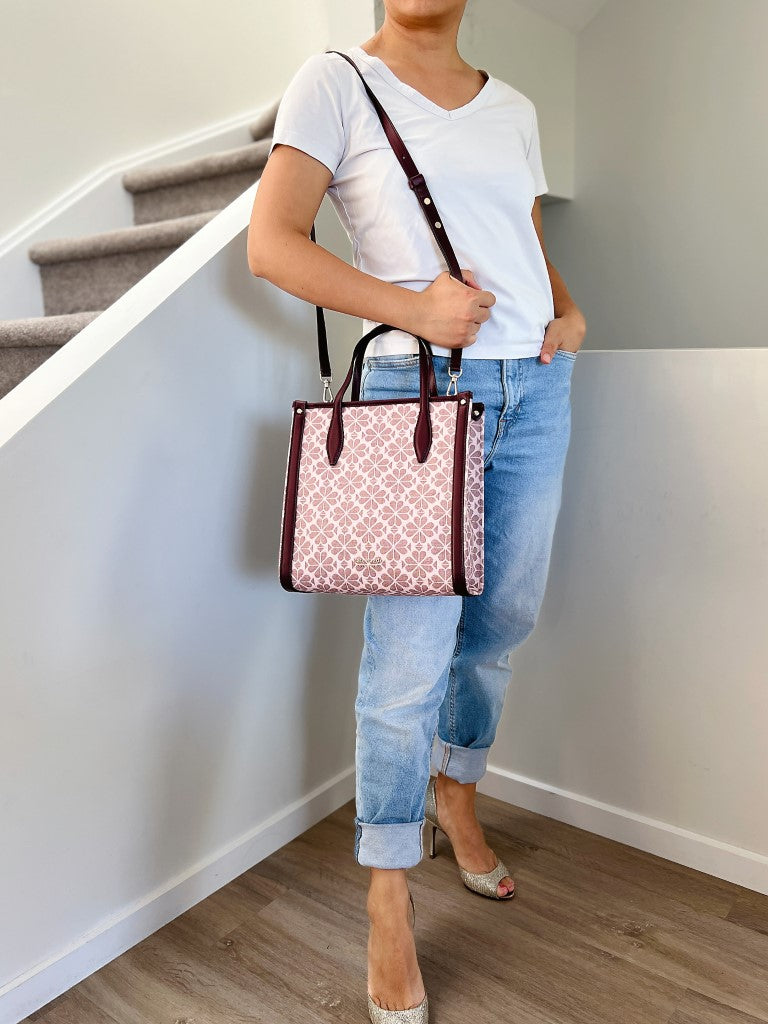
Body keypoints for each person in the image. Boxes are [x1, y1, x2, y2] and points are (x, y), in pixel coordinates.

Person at [247, 2, 586, 1020]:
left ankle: (458, 792)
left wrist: (567, 312)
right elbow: (272, 244)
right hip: (420, 392)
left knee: (504, 618)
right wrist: (411, 308)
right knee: (408, 658)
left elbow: (520, 237)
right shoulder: (336, 81)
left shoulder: (514, 107)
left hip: (536, 387)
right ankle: (389, 893)